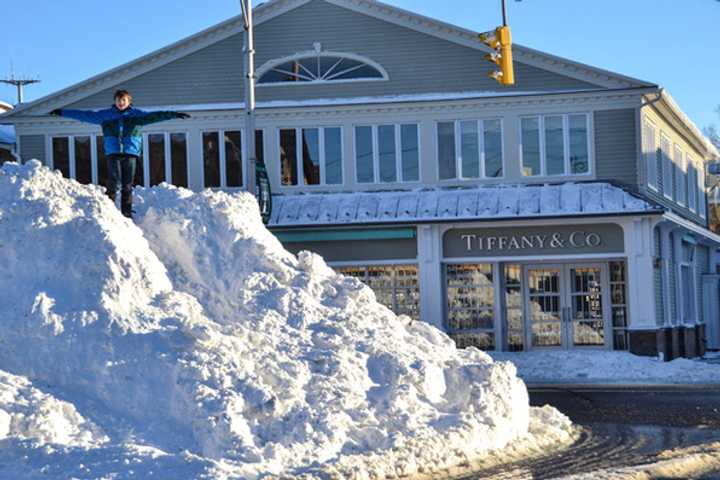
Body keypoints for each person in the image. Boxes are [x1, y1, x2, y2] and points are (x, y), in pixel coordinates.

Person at [50, 89, 191, 219]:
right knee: (113, 180)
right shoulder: (105, 115)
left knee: (127, 184)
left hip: (130, 153)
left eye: (123, 100)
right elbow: (84, 115)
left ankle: (127, 211)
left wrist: (174, 114)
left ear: (129, 101)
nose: (121, 103)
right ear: (115, 101)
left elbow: (156, 116)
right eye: (118, 100)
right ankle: (108, 208)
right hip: (113, 152)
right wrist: (62, 112)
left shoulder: (137, 116)